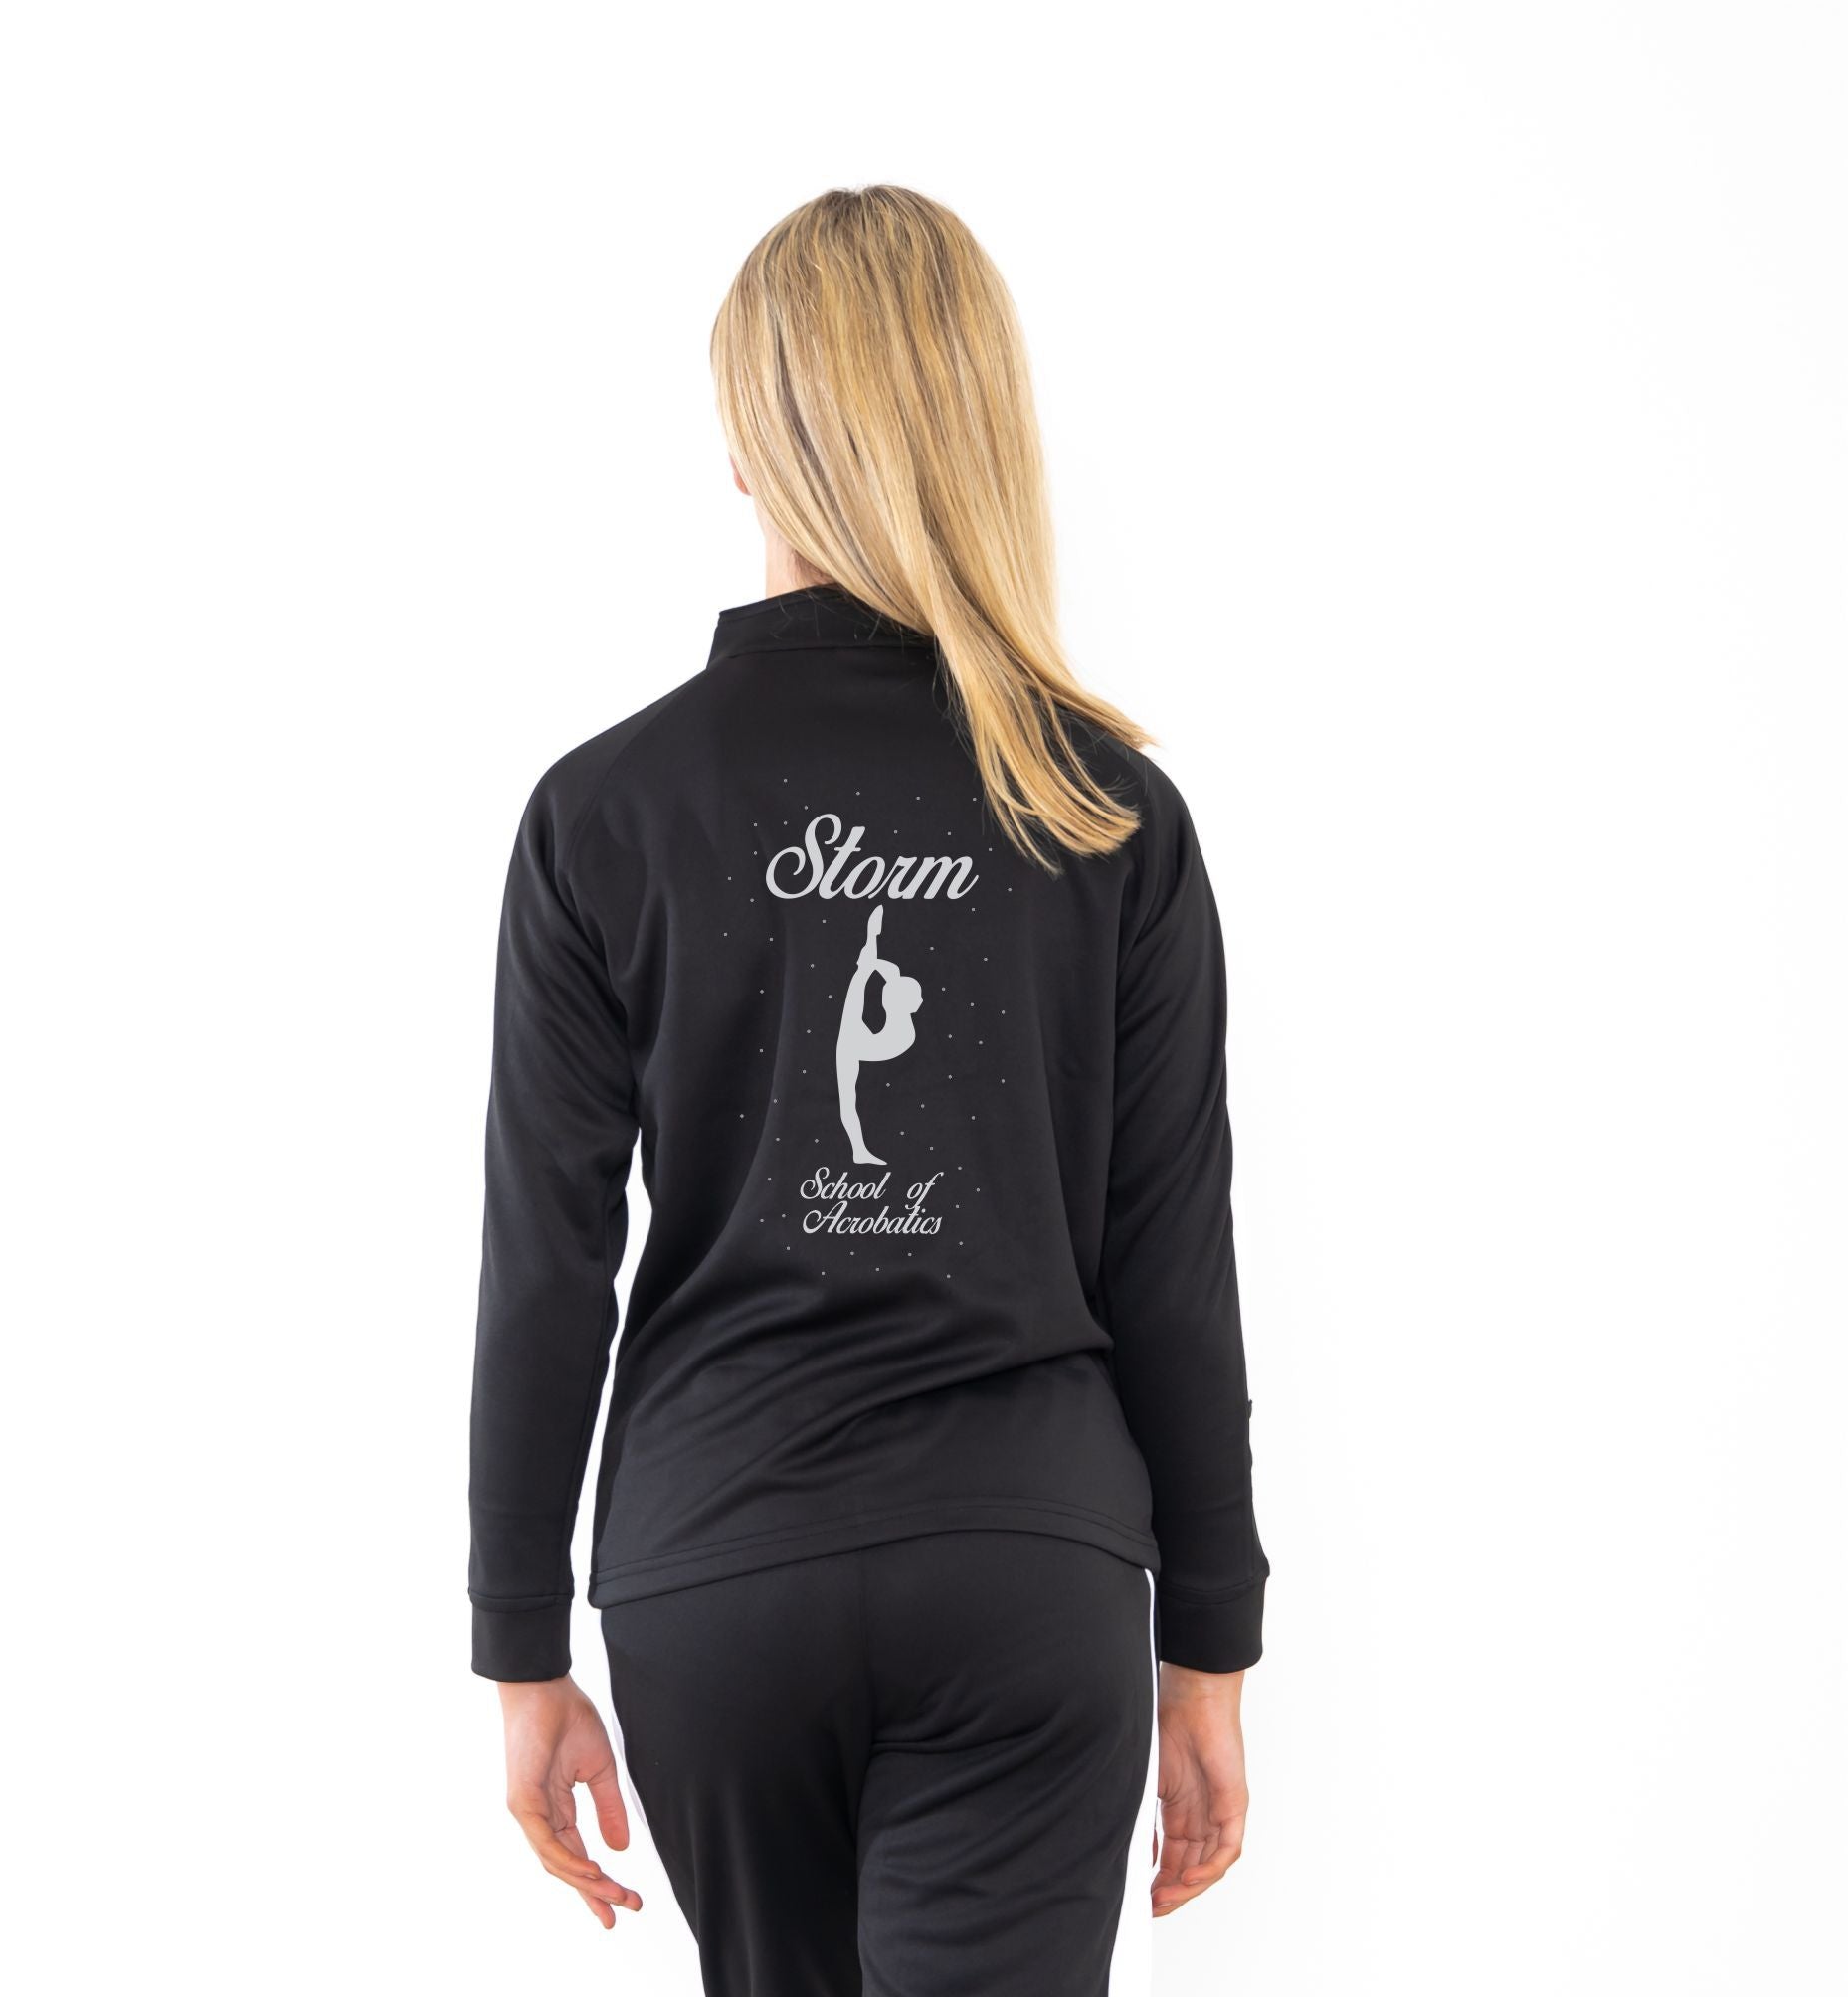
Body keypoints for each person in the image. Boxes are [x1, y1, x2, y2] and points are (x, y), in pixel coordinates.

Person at [469, 184, 1268, 1997]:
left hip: (714, 1565)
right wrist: (1209, 1646)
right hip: (1025, 1565)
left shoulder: (604, 811)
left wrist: (520, 1642)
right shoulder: (1105, 813)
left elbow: (544, 1265)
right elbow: (1172, 1260)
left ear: (745, 442)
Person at [835, 906, 923, 1166]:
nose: (921, 1001)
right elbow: (881, 974)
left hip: (868, 1043)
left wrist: (872, 942)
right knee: (861, 982)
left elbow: (884, 973)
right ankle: (859, 1151)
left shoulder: (899, 1006)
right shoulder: (898, 1004)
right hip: (861, 1043)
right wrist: (871, 941)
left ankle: (859, 1151)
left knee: (862, 980)